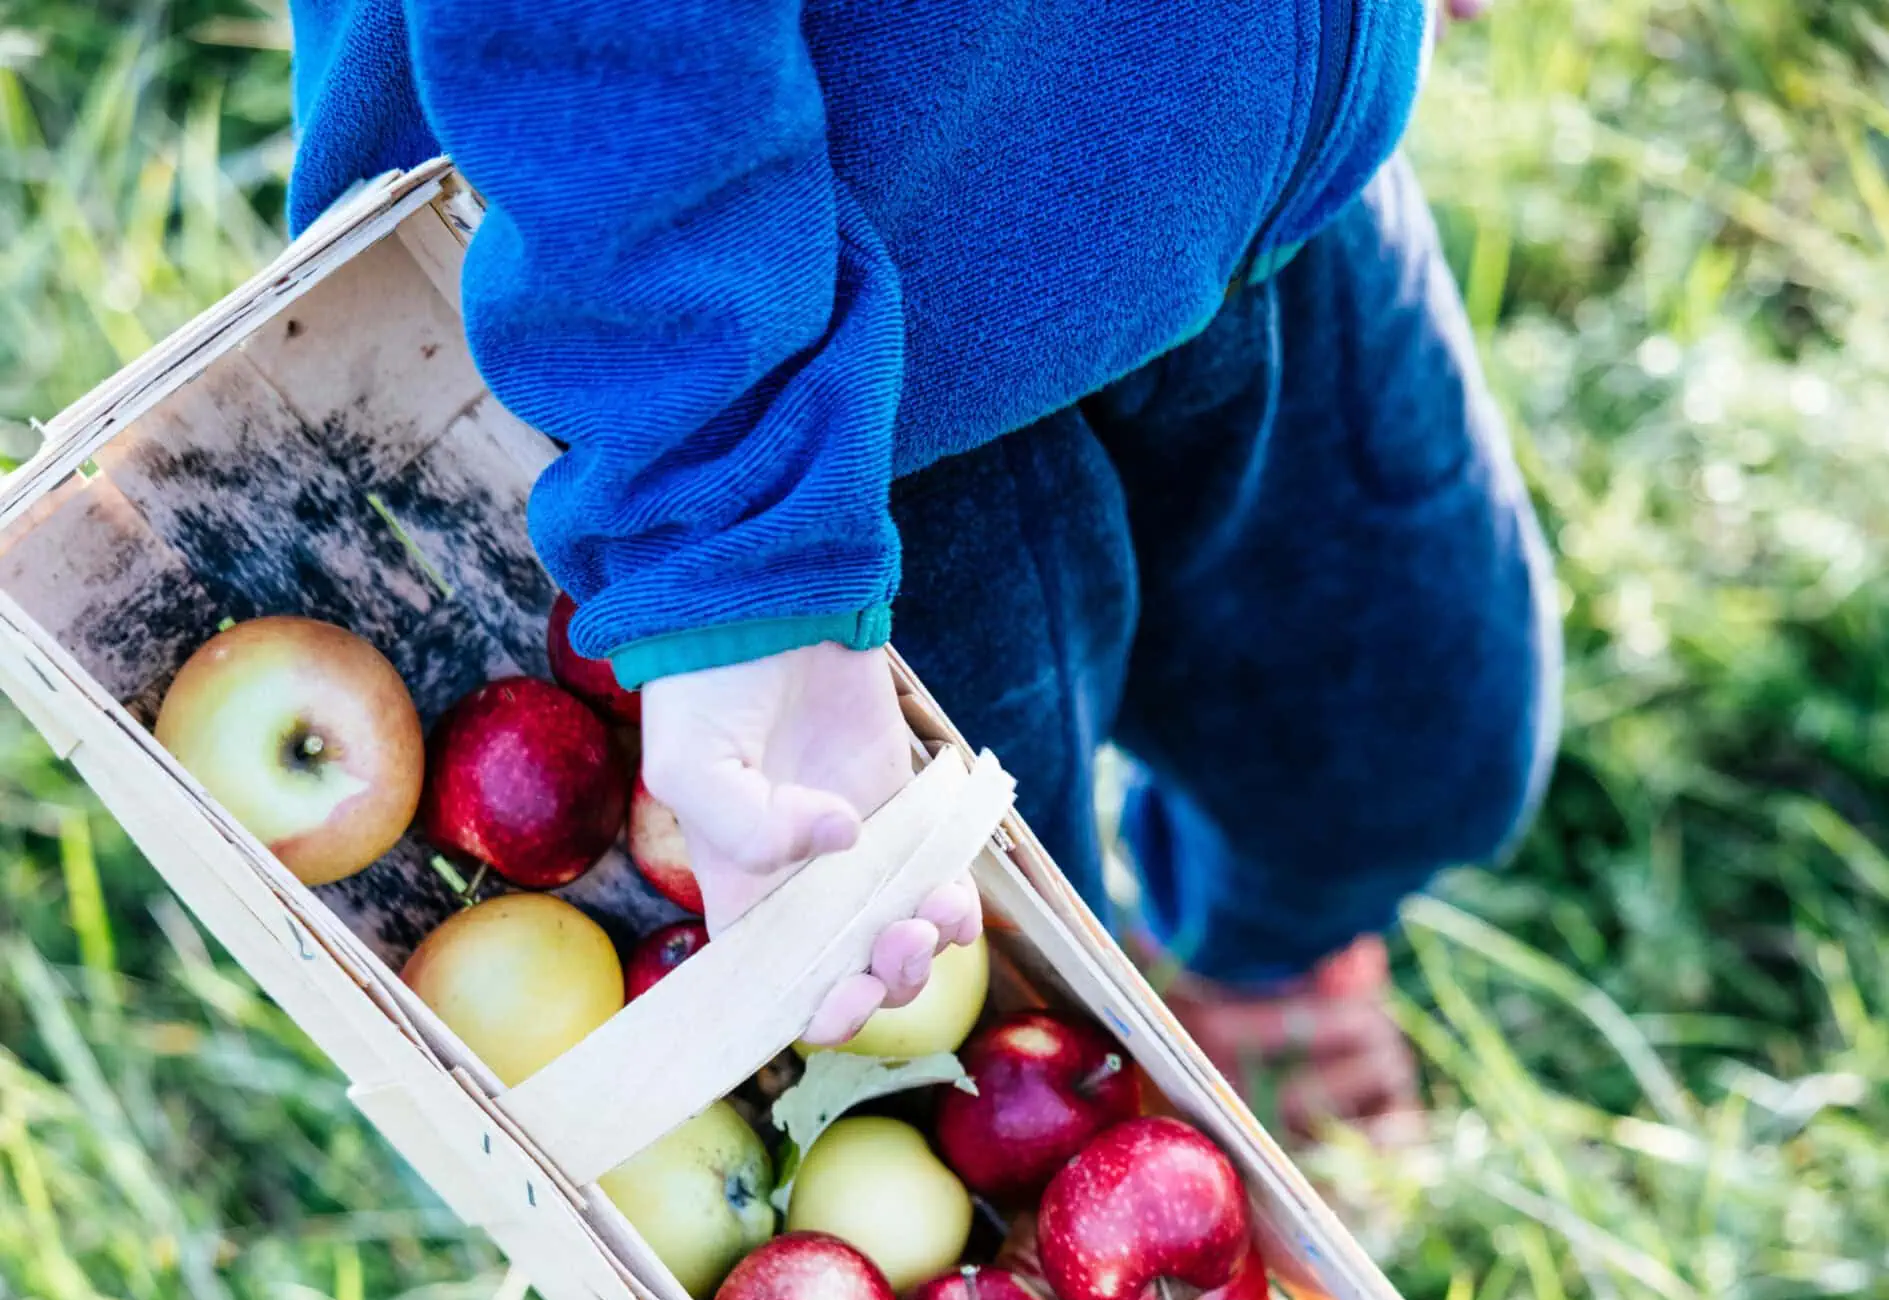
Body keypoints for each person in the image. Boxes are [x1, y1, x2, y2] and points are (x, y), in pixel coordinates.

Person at [287, 0, 1559, 1126]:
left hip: (1234, 141)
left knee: (1414, 736)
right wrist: (729, 506)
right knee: (987, 993)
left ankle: (1263, 969)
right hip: (786, 376)